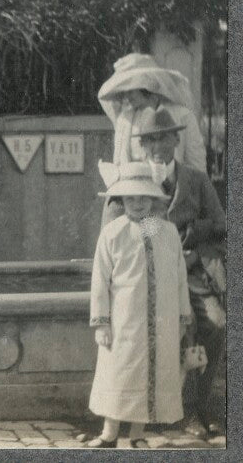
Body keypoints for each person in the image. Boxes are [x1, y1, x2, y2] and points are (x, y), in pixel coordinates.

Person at [103, 106, 227, 439]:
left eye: (164, 138)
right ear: (141, 146)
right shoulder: (130, 181)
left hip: (191, 276)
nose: (157, 147)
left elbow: (221, 226)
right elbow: (111, 228)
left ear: (176, 139)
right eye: (149, 141)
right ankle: (158, 413)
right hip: (144, 282)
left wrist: (193, 239)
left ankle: (198, 407)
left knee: (215, 324)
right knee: (153, 331)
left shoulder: (197, 181)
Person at [87, 160, 193, 449]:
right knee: (120, 373)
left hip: (162, 319)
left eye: (143, 197)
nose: (137, 203)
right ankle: (109, 434)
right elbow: (100, 280)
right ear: (121, 200)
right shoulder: (112, 233)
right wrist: (102, 322)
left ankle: (137, 434)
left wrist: (183, 314)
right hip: (125, 320)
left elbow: (179, 276)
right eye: (130, 198)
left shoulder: (166, 232)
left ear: (152, 199)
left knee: (152, 375)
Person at [98, 53, 206, 172]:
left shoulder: (183, 116)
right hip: (135, 188)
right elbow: (118, 164)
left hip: (173, 188)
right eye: (124, 91)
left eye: (130, 90)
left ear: (145, 86)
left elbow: (197, 167)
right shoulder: (124, 120)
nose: (126, 96)